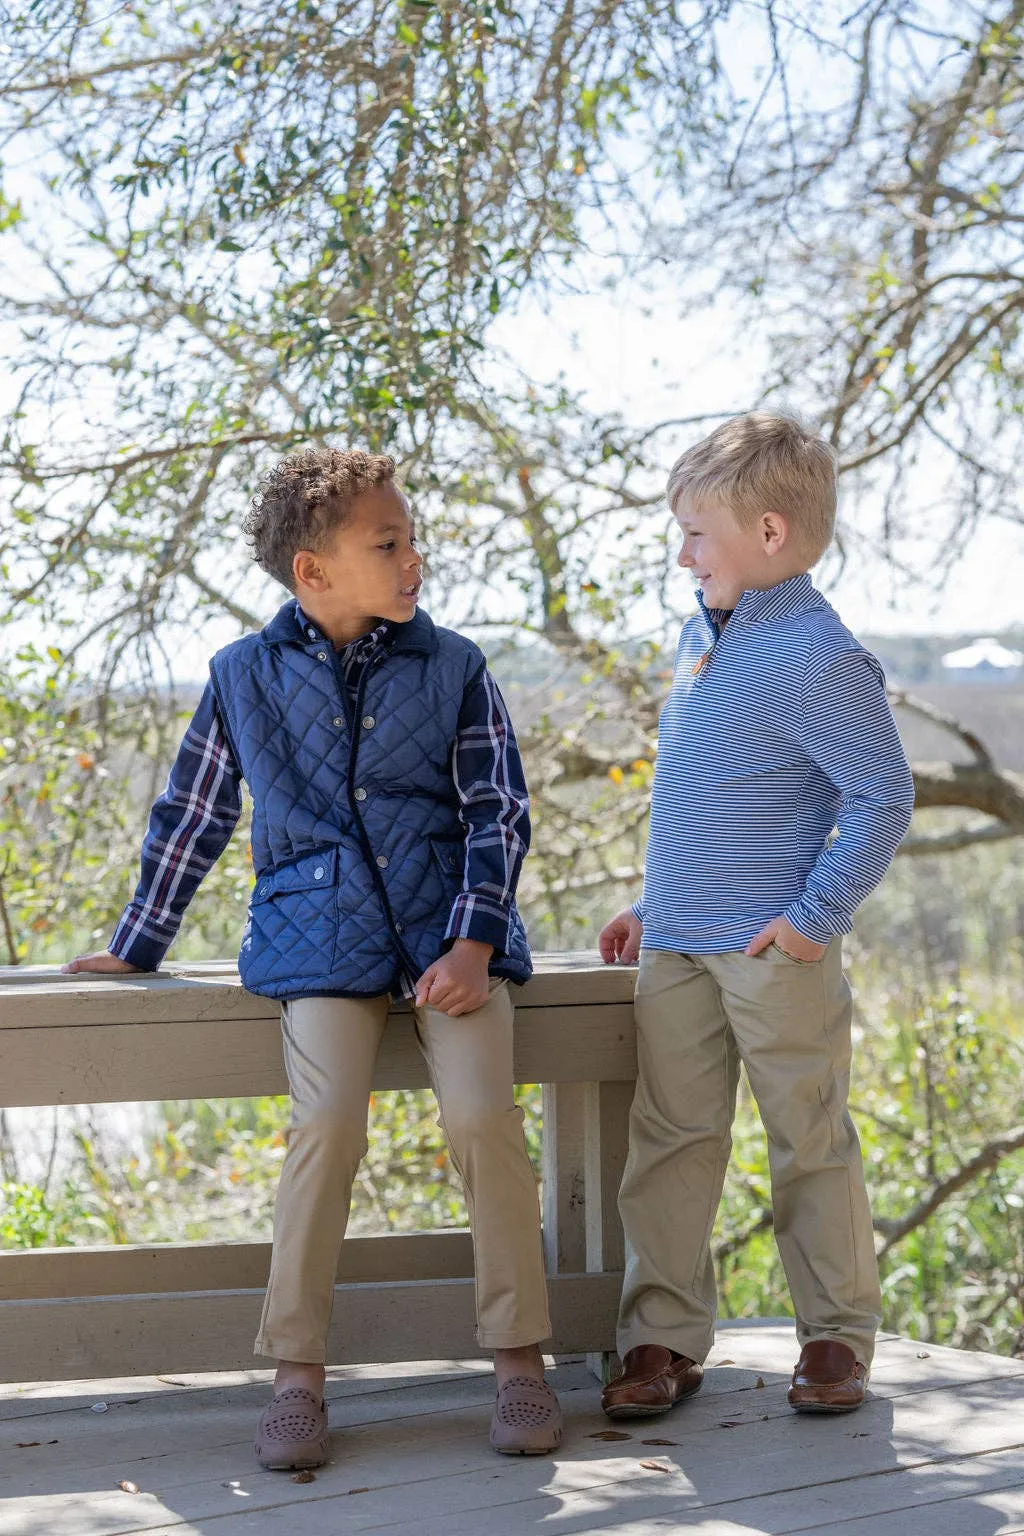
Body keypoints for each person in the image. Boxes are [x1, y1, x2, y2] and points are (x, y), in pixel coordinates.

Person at [63, 448, 562, 1465]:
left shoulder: (454, 664)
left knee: (480, 1117)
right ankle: (297, 1376)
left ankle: (519, 1360)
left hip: (450, 940)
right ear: (312, 570)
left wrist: (472, 944)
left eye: (411, 536)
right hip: (316, 939)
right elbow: (194, 814)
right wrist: (137, 942)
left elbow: (496, 813)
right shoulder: (240, 676)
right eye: (388, 542)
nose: (413, 556)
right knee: (325, 1125)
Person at [598, 413, 914, 1420]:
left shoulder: (820, 656)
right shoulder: (701, 633)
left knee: (807, 1141)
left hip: (773, 951)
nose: (681, 553)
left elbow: (881, 794)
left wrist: (814, 917)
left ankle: (832, 1338)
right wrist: (653, 903)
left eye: (696, 532)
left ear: (768, 535)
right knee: (671, 1138)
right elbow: (704, 795)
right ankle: (660, 1335)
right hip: (679, 946)